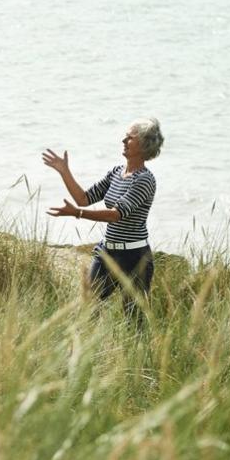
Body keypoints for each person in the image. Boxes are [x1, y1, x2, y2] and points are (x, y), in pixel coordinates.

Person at [43, 117, 164, 323]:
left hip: (135, 258)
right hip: (106, 253)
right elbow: (83, 199)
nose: (123, 141)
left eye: (130, 138)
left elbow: (116, 214)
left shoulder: (144, 179)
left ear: (144, 144)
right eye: (125, 137)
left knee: (133, 321)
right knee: (89, 309)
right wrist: (65, 172)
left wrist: (77, 214)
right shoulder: (116, 173)